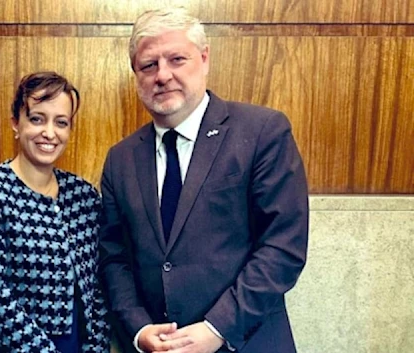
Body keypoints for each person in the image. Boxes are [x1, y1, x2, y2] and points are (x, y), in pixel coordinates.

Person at [98, 7, 309, 353]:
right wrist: (138, 329)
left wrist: (217, 328)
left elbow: (283, 247)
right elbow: (114, 257)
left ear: (205, 58)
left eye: (177, 59)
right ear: (136, 74)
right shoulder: (120, 159)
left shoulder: (261, 131)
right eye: (149, 65)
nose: (162, 75)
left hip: (247, 342)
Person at [0, 71, 110, 353]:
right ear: (16, 124)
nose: (49, 133)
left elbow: (96, 293)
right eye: (37, 118)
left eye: (61, 122)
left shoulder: (84, 197)